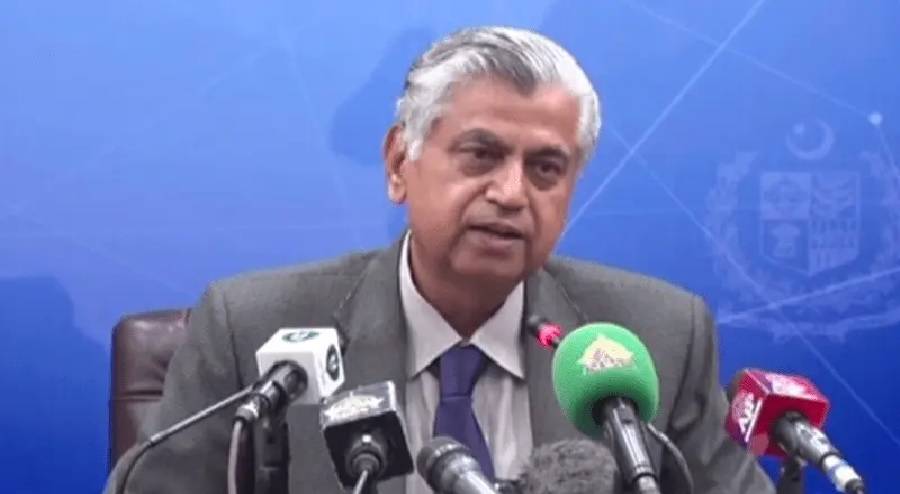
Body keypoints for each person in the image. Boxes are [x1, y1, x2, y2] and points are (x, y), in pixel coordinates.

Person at [105, 26, 775, 494]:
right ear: (400, 163)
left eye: (545, 168)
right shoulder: (250, 329)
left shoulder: (653, 337)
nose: (511, 193)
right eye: (482, 155)